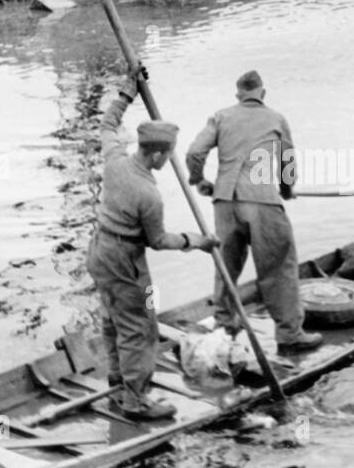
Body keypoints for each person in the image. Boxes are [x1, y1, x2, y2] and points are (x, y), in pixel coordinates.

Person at [87, 70, 218, 421]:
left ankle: (117, 379)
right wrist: (198, 241)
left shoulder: (115, 159)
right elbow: (158, 241)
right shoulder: (149, 195)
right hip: (126, 262)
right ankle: (135, 401)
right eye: (169, 153)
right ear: (158, 154)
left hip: (98, 252)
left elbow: (107, 124)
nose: (168, 160)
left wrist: (126, 94)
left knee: (112, 317)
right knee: (140, 327)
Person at [185, 71, 322, 354]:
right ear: (262, 93)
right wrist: (285, 190)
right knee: (279, 267)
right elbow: (287, 164)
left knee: (226, 266)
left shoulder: (221, 116)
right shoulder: (276, 118)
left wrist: (199, 180)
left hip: (225, 202)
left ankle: (224, 324)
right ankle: (289, 334)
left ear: (238, 95)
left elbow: (195, 152)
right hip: (262, 200)